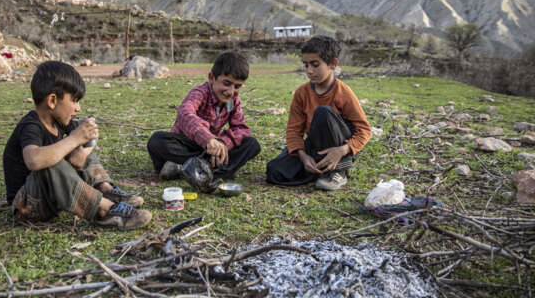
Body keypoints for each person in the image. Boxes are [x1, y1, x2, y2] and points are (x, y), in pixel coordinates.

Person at [3, 61, 151, 230]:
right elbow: (34, 160)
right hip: (26, 206)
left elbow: (90, 134)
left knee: (75, 147)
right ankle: (105, 211)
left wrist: (82, 151)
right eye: (74, 101)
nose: (78, 108)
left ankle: (105, 190)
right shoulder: (30, 127)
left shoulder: (58, 121)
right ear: (52, 100)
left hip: (51, 198)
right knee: (52, 160)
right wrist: (73, 139)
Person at [266, 35, 371, 190]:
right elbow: (294, 130)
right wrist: (303, 157)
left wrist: (342, 150)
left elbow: (364, 130)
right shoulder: (302, 93)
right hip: (316, 146)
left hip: (339, 147)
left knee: (323, 112)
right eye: (306, 65)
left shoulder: (343, 92)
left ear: (333, 64)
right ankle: (319, 168)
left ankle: (339, 169)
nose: (309, 71)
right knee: (274, 171)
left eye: (315, 65)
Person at [147, 51, 261, 183]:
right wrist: (208, 138)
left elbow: (240, 128)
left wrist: (222, 142)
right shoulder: (200, 93)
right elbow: (185, 113)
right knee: (157, 141)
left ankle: (188, 170)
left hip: (210, 150)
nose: (230, 91)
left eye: (237, 86)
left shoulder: (233, 101)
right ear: (212, 78)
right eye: (226, 83)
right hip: (188, 145)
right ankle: (214, 171)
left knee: (252, 144)